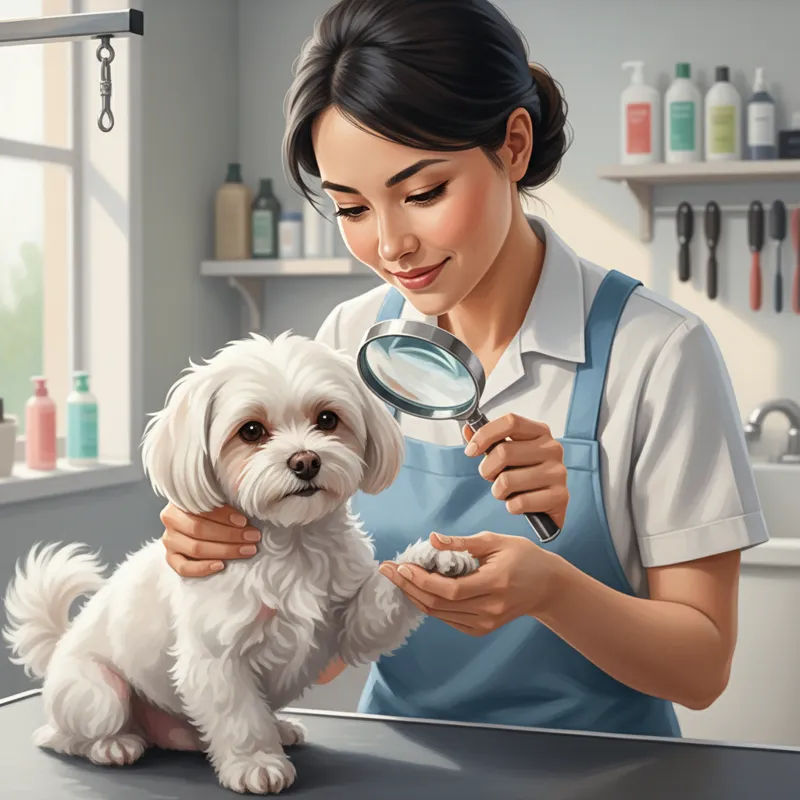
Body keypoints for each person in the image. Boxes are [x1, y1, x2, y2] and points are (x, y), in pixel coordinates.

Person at [159, 0, 768, 737]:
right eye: (352, 208)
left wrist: (552, 590)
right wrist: (227, 562)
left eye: (422, 194)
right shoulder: (351, 339)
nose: (391, 244)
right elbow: (320, 655)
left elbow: (701, 671)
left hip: (611, 773)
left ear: (513, 145)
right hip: (397, 766)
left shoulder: (657, 353)